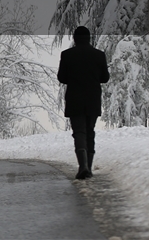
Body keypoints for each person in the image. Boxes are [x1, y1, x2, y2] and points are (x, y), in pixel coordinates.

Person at [57, 26, 110, 180]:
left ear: (74, 38)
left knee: (79, 132)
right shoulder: (99, 55)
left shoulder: (67, 55)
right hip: (93, 99)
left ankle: (83, 166)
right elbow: (105, 78)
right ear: (89, 38)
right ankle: (89, 167)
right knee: (90, 131)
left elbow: (62, 77)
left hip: (75, 99)